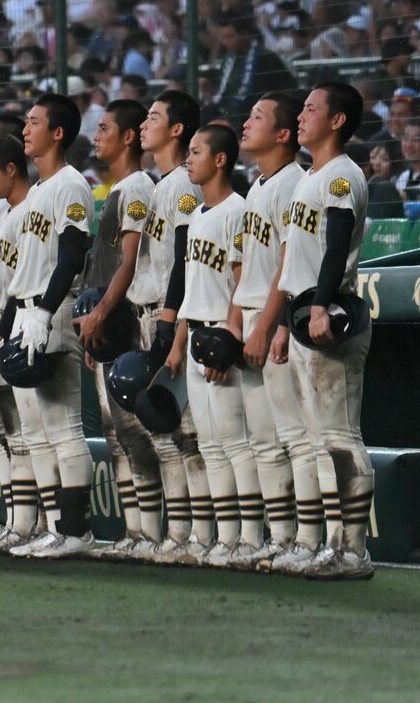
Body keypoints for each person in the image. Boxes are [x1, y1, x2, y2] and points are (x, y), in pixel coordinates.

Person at [264, 82, 375, 580]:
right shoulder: (313, 176)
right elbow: (298, 263)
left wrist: (322, 305)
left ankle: (353, 550)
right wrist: (289, 322)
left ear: (336, 122)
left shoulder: (340, 176)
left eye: (312, 109)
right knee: (317, 439)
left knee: (340, 436)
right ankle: (332, 545)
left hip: (330, 313)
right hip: (307, 313)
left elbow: (333, 249)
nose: (302, 115)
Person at [0, 93, 97, 559]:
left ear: (58, 133)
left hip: (51, 315)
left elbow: (72, 253)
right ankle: (56, 529)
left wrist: (45, 311)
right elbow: (21, 273)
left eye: (33, 122)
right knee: (36, 434)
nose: (24, 130)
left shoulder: (71, 184)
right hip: (27, 313)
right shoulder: (37, 193)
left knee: (64, 428)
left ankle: (76, 531)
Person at [74, 100, 163, 559]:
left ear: (129, 137)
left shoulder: (137, 188)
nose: (96, 134)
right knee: (115, 435)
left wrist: (102, 315)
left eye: (105, 127)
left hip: (133, 323)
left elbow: (130, 262)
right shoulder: (114, 189)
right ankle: (134, 533)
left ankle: (152, 534)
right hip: (112, 322)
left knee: (139, 433)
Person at [233, 92, 312, 572]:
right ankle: (280, 537)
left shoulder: (293, 183)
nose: (247, 124)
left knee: (295, 438)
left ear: (283, 134)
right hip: (250, 316)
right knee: (262, 439)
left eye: (258, 118)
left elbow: (290, 261)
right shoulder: (259, 184)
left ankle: (306, 540)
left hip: (273, 319)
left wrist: (270, 325)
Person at [165, 123, 250, 567]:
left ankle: (249, 539)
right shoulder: (196, 216)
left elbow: (241, 281)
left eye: (195, 152)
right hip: (196, 331)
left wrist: (230, 341)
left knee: (235, 443)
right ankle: (225, 538)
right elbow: (190, 290)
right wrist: (179, 344)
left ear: (220, 159)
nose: (187, 159)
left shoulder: (238, 209)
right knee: (211, 446)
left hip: (220, 334)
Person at [140, 89, 213, 562]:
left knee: (188, 435)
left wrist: (170, 324)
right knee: (167, 434)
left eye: (154, 117)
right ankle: (181, 531)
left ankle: (201, 535)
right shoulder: (163, 183)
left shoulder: (184, 185)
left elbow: (186, 262)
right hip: (160, 314)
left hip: (178, 317)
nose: (146, 124)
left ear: (177, 130)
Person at [0, 134, 42, 550]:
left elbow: (20, 288)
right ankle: (19, 523)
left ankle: (42, 524)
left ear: (11, 169)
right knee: (9, 435)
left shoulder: (29, 210)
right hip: (0, 326)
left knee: (31, 435)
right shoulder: (5, 213)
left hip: (20, 327)